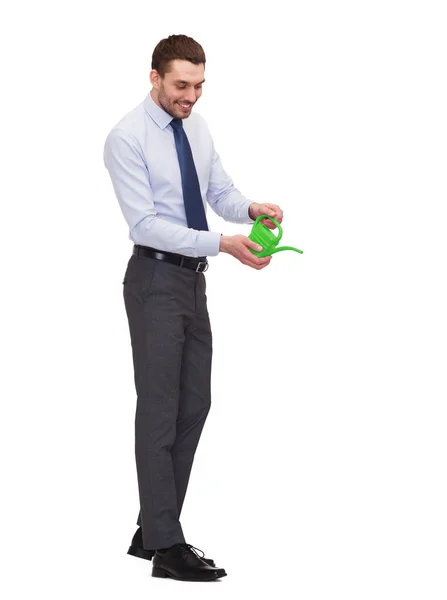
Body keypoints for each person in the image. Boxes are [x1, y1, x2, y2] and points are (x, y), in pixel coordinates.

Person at [103, 34, 284, 583]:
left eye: (199, 85)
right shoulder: (126, 138)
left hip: (191, 283)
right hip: (155, 278)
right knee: (159, 411)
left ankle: (151, 528)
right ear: (154, 77)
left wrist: (248, 206)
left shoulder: (196, 127)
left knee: (194, 404)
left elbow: (218, 190)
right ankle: (166, 544)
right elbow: (146, 225)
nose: (192, 96)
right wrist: (224, 244)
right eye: (182, 86)